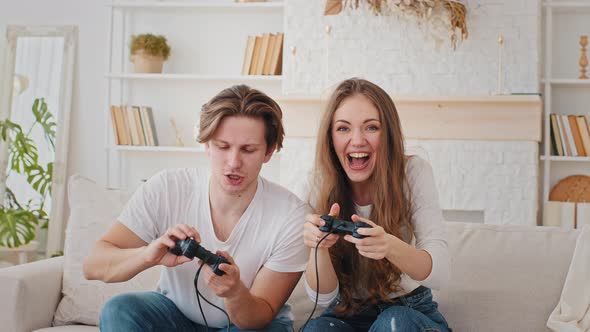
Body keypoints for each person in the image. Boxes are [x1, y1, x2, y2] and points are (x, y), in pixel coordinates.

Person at [83, 85, 310, 332]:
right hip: (175, 315)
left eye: (248, 150)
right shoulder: (167, 187)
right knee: (120, 310)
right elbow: (93, 265)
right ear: (207, 145)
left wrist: (235, 293)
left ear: (268, 152)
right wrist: (148, 254)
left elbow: (259, 316)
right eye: (222, 146)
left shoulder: (291, 215)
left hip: (247, 324)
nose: (233, 162)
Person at [302, 78, 451, 332]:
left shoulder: (412, 173)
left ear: (388, 133)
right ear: (330, 137)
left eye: (371, 128)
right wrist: (319, 249)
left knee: (394, 324)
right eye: (343, 129)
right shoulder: (318, 182)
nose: (357, 140)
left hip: (407, 311)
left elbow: (441, 273)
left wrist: (389, 246)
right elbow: (322, 298)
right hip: (343, 313)